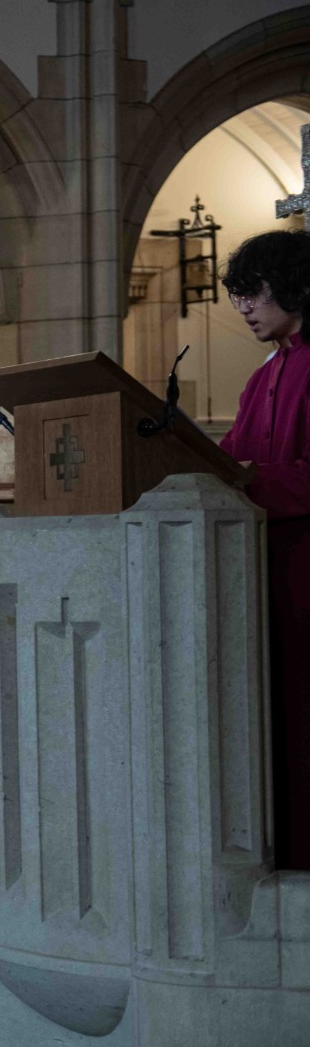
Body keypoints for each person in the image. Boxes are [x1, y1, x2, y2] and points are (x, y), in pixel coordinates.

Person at [219, 229, 310, 867]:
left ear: (294, 286)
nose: (245, 307)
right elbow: (227, 461)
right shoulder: (263, 377)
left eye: (254, 292)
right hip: (261, 569)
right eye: (239, 296)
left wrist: (252, 478)